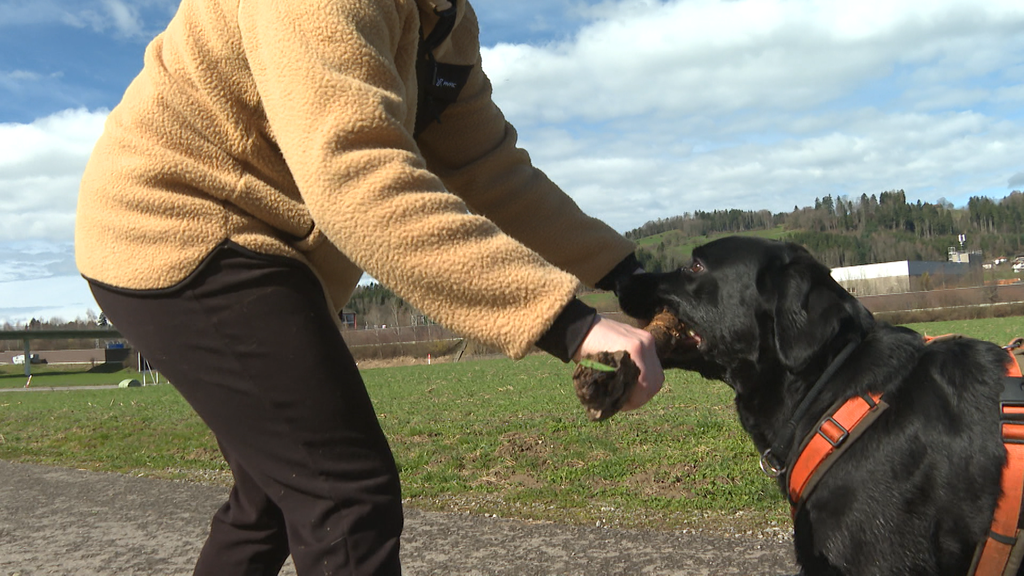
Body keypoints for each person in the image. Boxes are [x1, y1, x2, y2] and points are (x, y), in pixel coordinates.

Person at [75, 0, 665, 574]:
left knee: (275, 500)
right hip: (176, 227)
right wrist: (571, 324)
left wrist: (623, 274)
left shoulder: (446, 20)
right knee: (344, 494)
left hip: (264, 248)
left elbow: (489, 170)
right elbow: (356, 172)